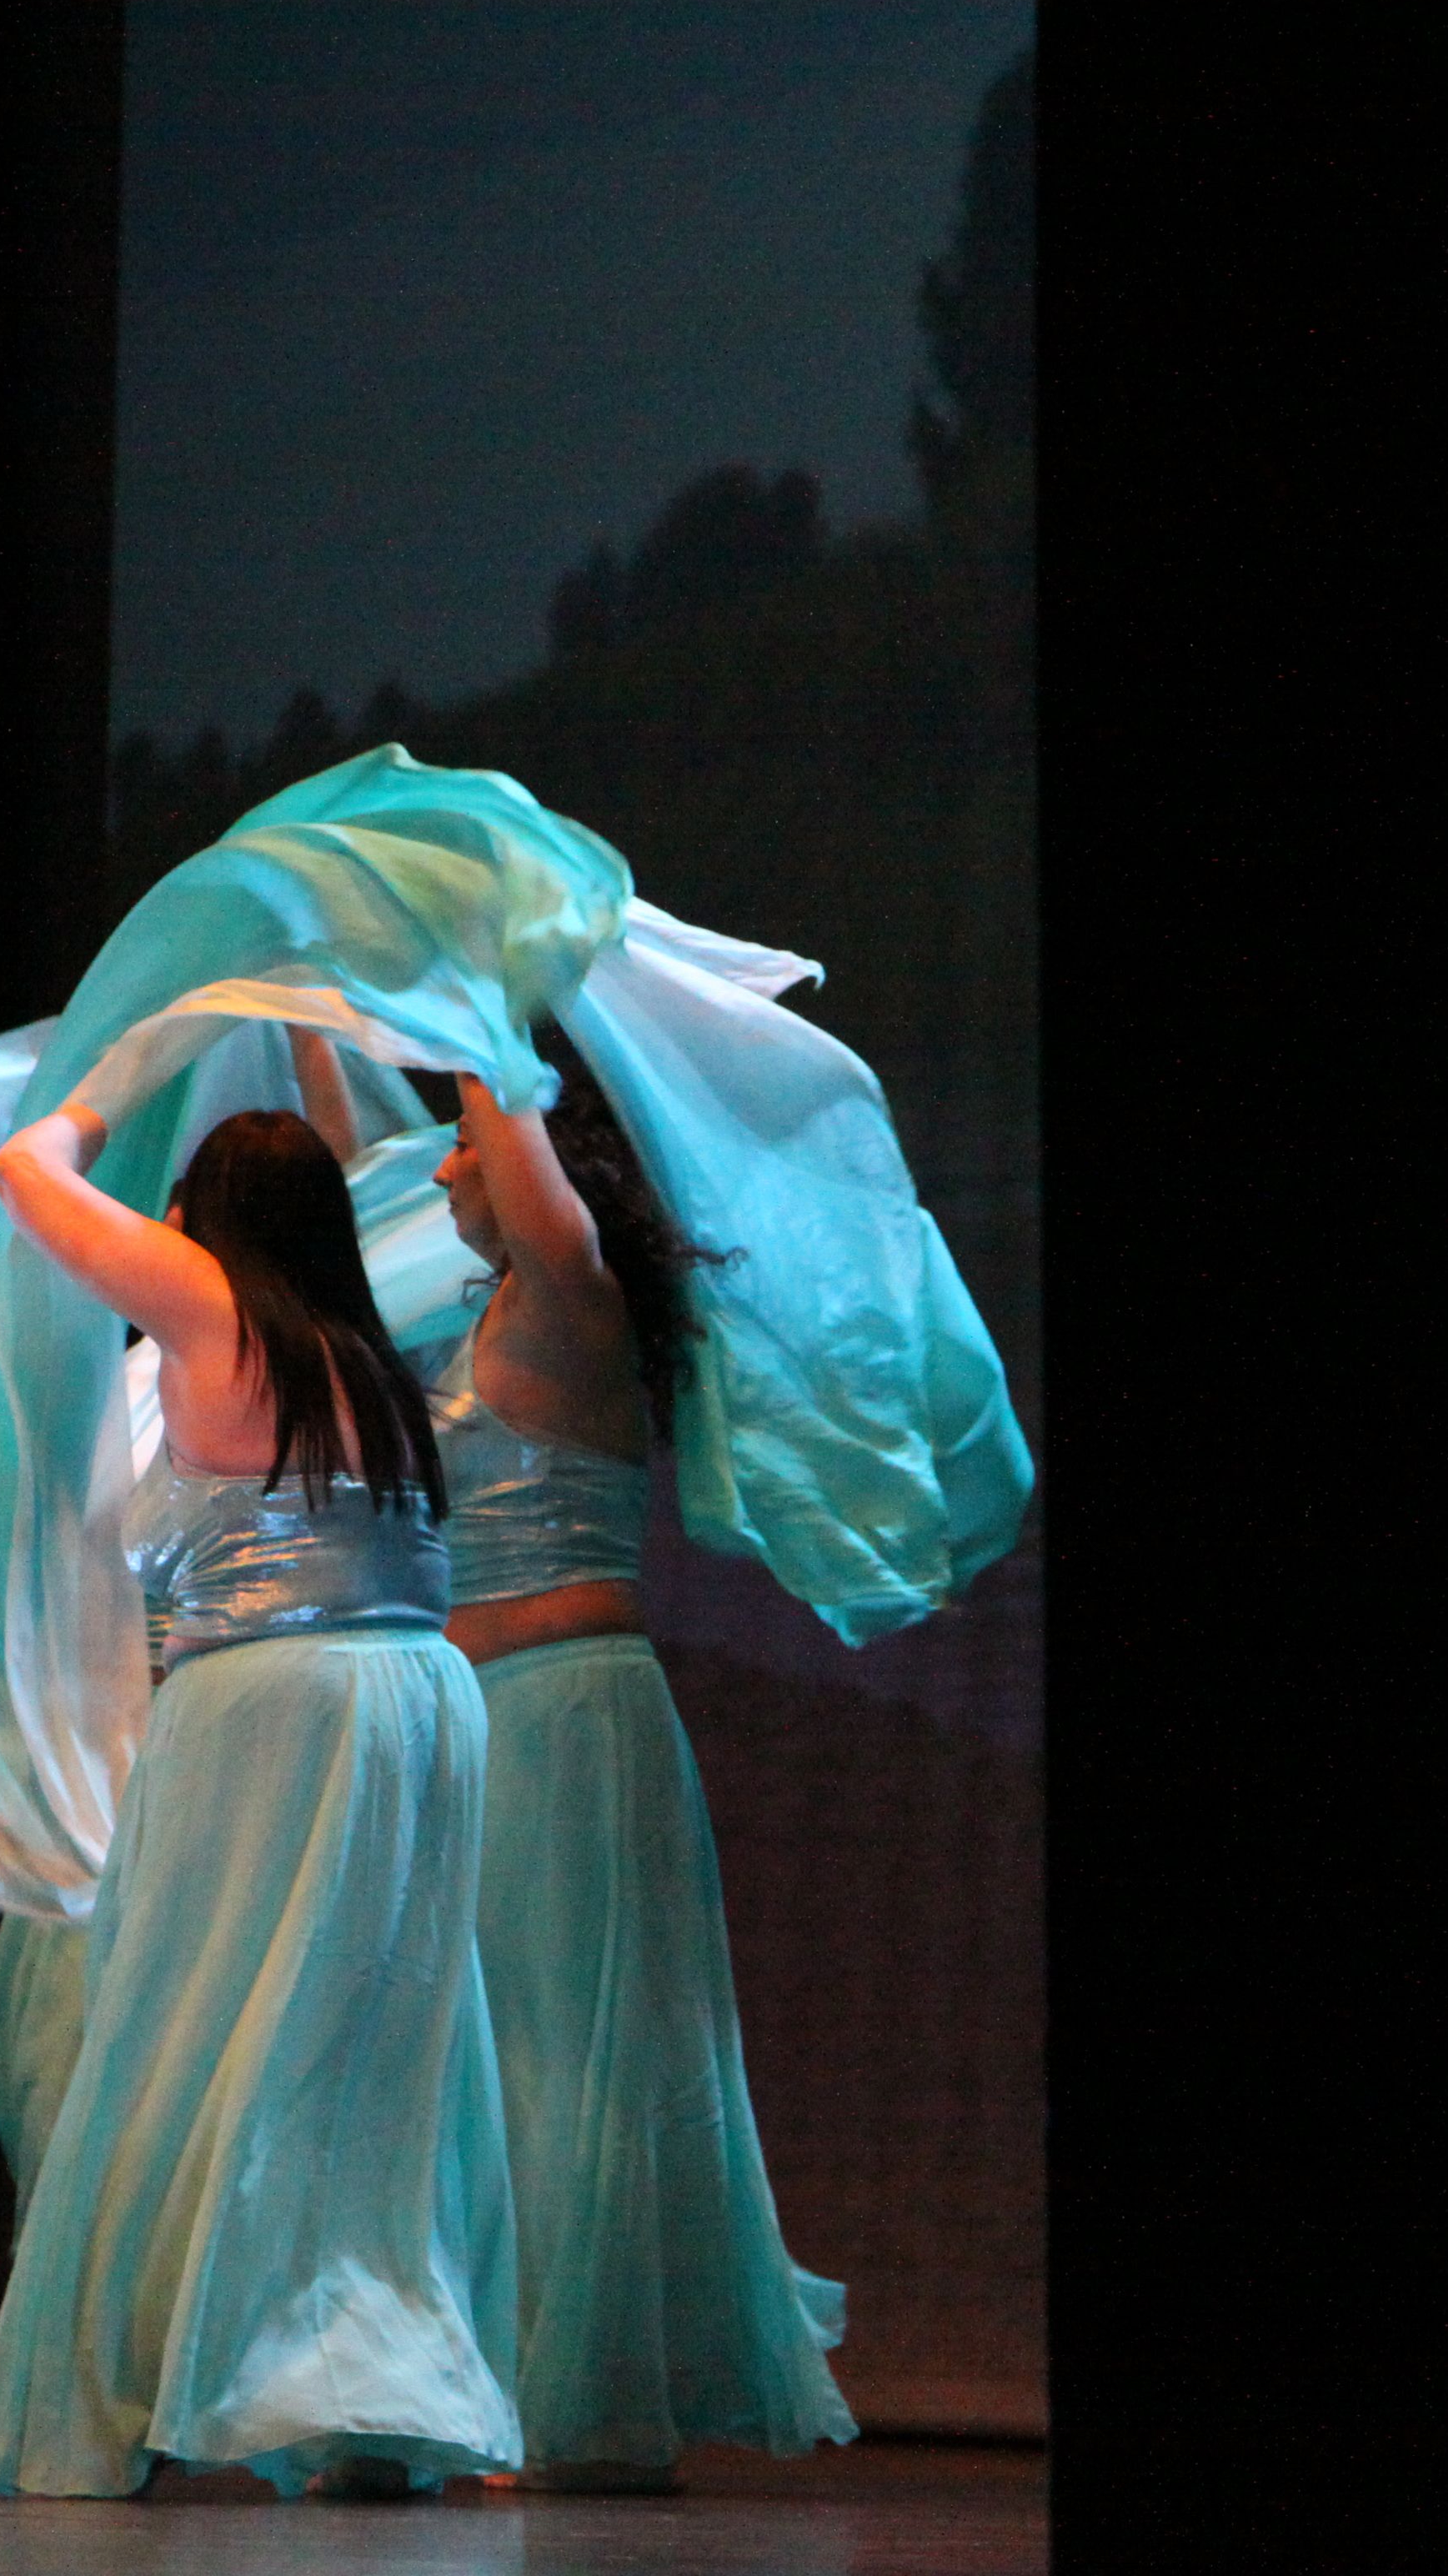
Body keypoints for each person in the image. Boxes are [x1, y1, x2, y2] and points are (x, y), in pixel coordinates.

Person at [0, 1100, 521, 2499]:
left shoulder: (221, 1317)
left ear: (211, 1224)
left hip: (275, 1703)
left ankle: (169, 2377)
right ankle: (362, 2389)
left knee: (191, 2025)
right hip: (417, 1705)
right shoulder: (370, 1353)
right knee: (364, 2058)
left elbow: (24, 1176)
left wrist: (115, 1068)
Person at [428, 1037, 856, 2489]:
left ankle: (578, 2401)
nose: (437, 1166)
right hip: (485, 1724)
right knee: (485, 2068)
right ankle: (507, 2378)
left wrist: (486, 1004)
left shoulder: (574, 1290)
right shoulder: (486, 1301)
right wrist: (317, 1015)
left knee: (566, 2065)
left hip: (566, 1717)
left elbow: (538, 1187)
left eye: (464, 1143)